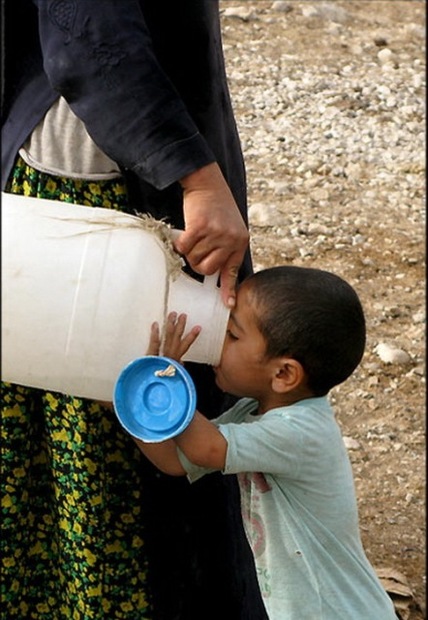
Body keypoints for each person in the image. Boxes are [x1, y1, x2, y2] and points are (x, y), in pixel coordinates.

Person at [1, 1, 267, 618]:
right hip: (103, 190)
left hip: (94, 168)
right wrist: (196, 177)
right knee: (99, 474)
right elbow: (88, 33)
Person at [133, 266, 399, 620]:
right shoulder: (252, 413)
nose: (215, 340)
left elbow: (204, 448)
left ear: (284, 374)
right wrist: (132, 396)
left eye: (231, 334)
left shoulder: (300, 431)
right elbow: (176, 459)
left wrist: (166, 380)